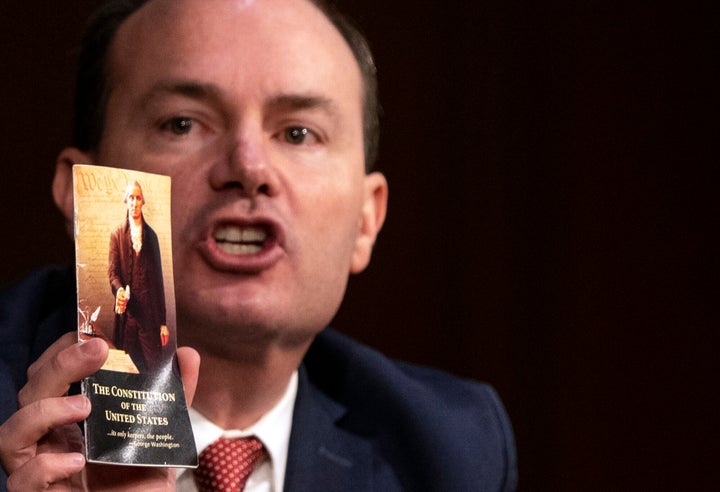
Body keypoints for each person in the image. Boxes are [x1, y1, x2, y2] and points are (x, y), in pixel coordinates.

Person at [0, 0, 518, 490]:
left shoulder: (449, 450)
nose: (248, 167)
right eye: (182, 123)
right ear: (78, 189)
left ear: (367, 220)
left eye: (297, 134)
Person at [109, 180, 168, 373]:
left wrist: (163, 323)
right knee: (125, 369)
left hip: (149, 318)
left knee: (153, 369)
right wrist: (118, 291)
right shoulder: (117, 235)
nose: (134, 202)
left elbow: (159, 282)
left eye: (138, 197)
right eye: (131, 198)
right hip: (127, 317)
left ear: (143, 202)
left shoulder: (152, 237)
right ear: (126, 201)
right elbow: (113, 273)